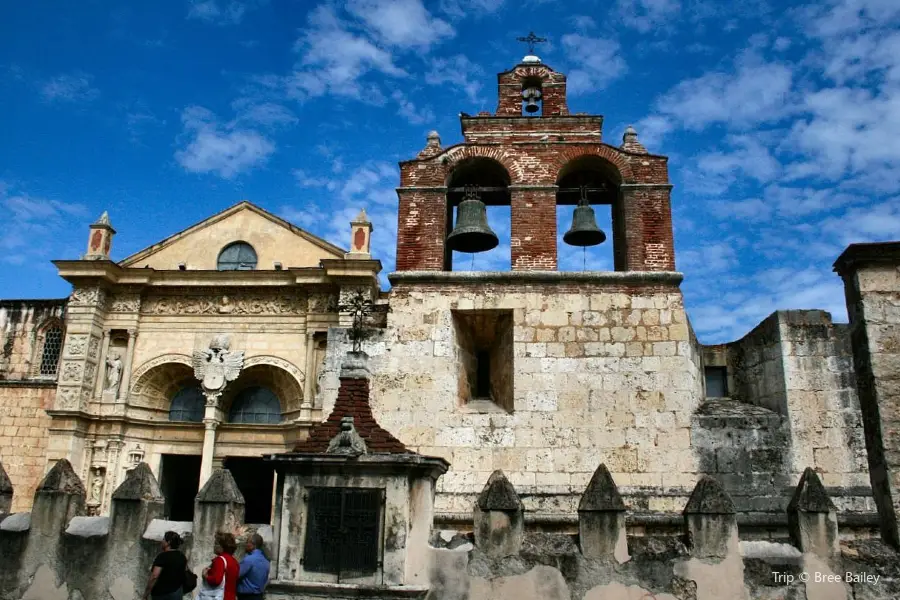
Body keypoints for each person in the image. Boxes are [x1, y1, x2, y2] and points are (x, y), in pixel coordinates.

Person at [144, 531, 187, 600]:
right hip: (177, 594)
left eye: (164, 539)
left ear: (168, 542)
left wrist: (146, 594)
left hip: (162, 594)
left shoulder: (162, 556)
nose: (162, 541)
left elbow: (154, 576)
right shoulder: (182, 556)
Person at [202, 531, 240, 600]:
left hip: (220, 596)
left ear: (222, 547)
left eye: (216, 544)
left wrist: (206, 576)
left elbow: (216, 580)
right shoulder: (234, 561)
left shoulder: (220, 560)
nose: (214, 546)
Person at [237, 533, 270, 600]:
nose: (246, 545)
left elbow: (236, 574)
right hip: (259, 596)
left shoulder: (249, 559)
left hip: (247, 596)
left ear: (253, 545)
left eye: (247, 542)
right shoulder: (266, 561)